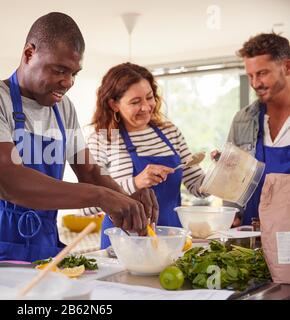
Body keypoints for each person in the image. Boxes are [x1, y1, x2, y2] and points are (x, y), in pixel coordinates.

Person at [0, 12, 158, 269]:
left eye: (74, 73)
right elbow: (8, 180)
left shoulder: (63, 110)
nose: (68, 82)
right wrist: (101, 196)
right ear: (29, 53)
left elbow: (90, 173)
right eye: (60, 70)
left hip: (42, 240)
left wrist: (128, 202)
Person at [82, 63, 207, 249]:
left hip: (172, 239)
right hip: (123, 243)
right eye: (135, 102)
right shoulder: (101, 140)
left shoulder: (171, 133)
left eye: (149, 97)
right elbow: (87, 206)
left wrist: (223, 173)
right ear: (114, 104)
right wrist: (136, 183)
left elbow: (198, 187)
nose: (146, 107)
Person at [224, 33, 290, 226]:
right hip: (251, 233)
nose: (255, 83)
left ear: (286, 66)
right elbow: (232, 178)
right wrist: (232, 213)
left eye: (262, 73)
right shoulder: (243, 120)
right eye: (250, 76)